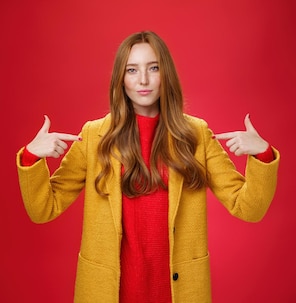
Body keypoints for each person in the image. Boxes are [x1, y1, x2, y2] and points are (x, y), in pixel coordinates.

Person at [15, 30, 279, 303]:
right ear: (121, 79)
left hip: (179, 293)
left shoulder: (196, 135)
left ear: (166, 75)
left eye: (153, 68)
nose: (143, 79)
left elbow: (248, 207)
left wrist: (262, 154)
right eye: (132, 70)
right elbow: (43, 209)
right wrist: (33, 158)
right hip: (109, 294)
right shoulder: (94, 136)